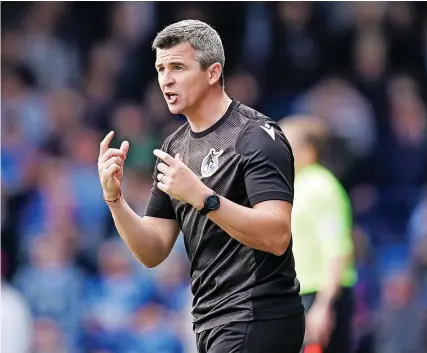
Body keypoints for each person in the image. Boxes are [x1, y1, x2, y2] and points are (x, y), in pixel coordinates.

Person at [97, 19, 304, 353]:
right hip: (210, 320)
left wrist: (203, 197)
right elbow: (152, 250)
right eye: (161, 68)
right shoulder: (174, 147)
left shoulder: (256, 136)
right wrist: (115, 199)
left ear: (212, 72)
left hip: (258, 314)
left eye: (178, 67)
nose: (166, 79)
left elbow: (278, 235)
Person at [278, 116, 357, 353]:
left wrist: (324, 306)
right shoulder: (296, 186)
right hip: (299, 296)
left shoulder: (322, 187)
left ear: (308, 151)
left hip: (319, 296)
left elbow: (338, 250)